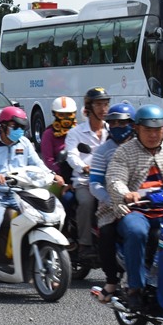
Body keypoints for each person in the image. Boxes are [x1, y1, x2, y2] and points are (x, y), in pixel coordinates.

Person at [0, 106, 63, 297]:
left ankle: (39, 265)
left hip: (20, 194)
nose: (19, 130)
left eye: (22, 127)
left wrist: (53, 175)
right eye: (15, 126)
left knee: (45, 218)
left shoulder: (24, 143)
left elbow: (38, 164)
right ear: (3, 126)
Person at [106, 104, 163, 311]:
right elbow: (114, 179)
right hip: (136, 210)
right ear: (137, 129)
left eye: (157, 129)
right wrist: (126, 193)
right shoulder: (124, 152)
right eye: (148, 130)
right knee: (136, 231)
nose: (153, 134)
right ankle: (135, 288)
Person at [88, 101, 136, 302]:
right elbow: (95, 184)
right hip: (111, 206)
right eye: (113, 123)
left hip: (147, 203)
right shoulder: (102, 151)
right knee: (106, 233)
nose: (117, 127)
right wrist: (112, 200)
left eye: (121, 123)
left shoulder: (143, 146)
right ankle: (111, 280)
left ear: (134, 124)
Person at [65, 87, 111, 263]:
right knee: (86, 202)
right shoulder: (75, 132)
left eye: (106, 104)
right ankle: (85, 244)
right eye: (99, 104)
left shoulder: (112, 129)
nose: (103, 109)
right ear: (88, 107)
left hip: (110, 179)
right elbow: (71, 155)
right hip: (85, 180)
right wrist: (84, 167)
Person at [40, 96, 76, 176]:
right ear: (55, 114)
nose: (65, 118)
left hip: (80, 174)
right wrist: (61, 173)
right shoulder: (48, 134)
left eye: (68, 114)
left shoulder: (79, 131)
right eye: (61, 114)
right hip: (60, 176)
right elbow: (48, 160)